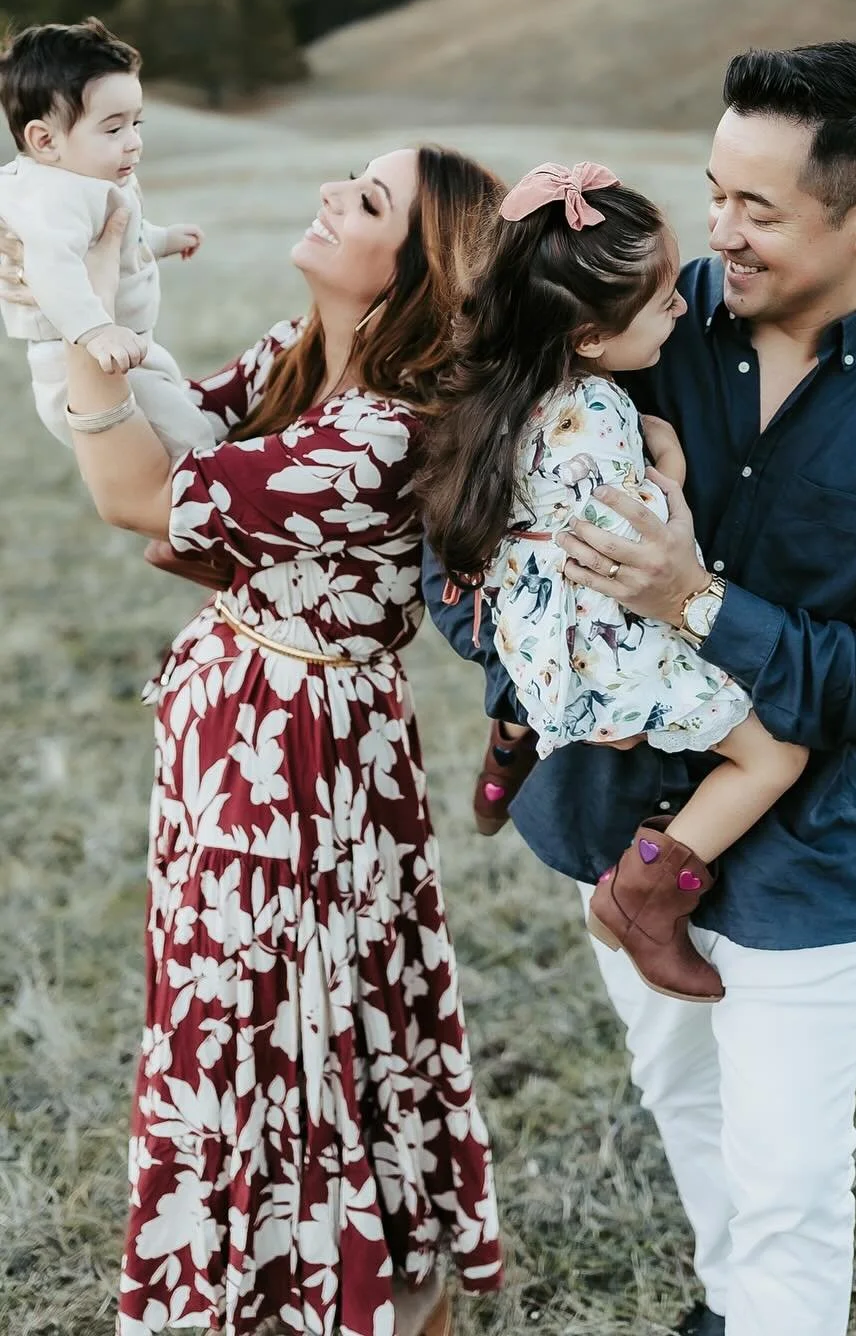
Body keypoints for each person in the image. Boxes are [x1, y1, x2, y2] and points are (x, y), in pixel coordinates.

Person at [422, 41, 856, 1336]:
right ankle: (738, 1312)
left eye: (758, 208)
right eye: (715, 190)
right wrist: (524, 649)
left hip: (805, 851)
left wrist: (693, 601)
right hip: (603, 814)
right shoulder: (634, 314)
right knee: (687, 1105)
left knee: (794, 1179)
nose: (720, 235)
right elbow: (467, 529)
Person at [1, 145, 507, 1336]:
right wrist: (87, 305)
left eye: (369, 202)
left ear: (417, 273)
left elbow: (141, 497)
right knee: (242, 1018)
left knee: (293, 1026)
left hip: (305, 757)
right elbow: (183, 449)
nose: (333, 197)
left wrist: (82, 315)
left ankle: (347, 1292)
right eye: (350, 179)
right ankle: (271, 1287)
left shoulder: (385, 427)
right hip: (241, 723)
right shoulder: (304, 348)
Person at [418, 161, 807, 1005]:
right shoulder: (598, 410)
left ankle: (515, 737)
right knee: (774, 757)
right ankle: (639, 900)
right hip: (605, 641)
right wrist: (668, 465)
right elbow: (640, 547)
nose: (680, 306)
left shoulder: (507, 396)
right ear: (590, 337)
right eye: (661, 298)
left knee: (613, 724)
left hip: (533, 632)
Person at [0, 18, 213, 457]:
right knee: (190, 443)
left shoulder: (93, 175)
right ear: (44, 140)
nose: (133, 142)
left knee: (184, 417)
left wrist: (163, 239)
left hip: (129, 346)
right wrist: (96, 330)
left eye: (137, 123)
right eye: (114, 129)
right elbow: (52, 270)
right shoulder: (53, 198)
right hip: (78, 361)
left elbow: (118, 243)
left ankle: (179, 510)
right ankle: (203, 512)